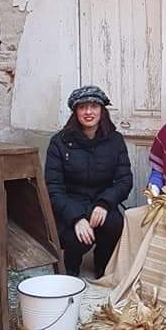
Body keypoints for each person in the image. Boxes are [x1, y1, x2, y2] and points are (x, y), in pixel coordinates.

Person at [44, 86, 133, 278]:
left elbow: (124, 180)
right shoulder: (59, 142)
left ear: (102, 110)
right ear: (75, 112)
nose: (88, 112)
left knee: (114, 224)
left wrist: (105, 203)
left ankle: (102, 263)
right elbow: (53, 187)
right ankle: (72, 264)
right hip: (71, 203)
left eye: (94, 106)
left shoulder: (115, 140)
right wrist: (76, 218)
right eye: (82, 107)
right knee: (76, 238)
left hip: (101, 200)